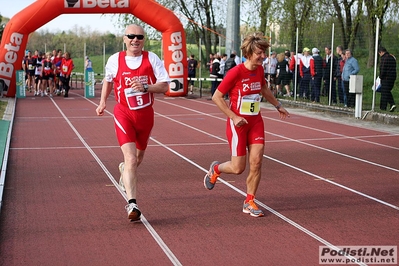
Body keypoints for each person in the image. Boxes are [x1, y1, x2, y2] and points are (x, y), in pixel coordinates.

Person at [203, 32, 290, 217]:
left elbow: (264, 88)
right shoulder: (235, 72)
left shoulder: (259, 70)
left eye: (264, 53)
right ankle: (216, 168)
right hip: (238, 125)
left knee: (257, 162)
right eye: (260, 53)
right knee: (238, 168)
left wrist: (278, 105)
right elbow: (216, 97)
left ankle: (249, 201)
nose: (263, 57)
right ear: (249, 53)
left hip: (255, 121)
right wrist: (233, 117)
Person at [95, 24, 170, 222]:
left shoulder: (151, 58)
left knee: (138, 158)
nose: (135, 40)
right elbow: (109, 80)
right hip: (123, 113)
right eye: (131, 36)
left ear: (144, 39)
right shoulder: (115, 59)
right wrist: (103, 101)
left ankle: (124, 171)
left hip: (145, 116)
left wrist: (147, 87)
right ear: (124, 38)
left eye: (139, 37)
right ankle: (132, 203)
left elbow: (164, 86)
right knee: (131, 159)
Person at [378, 46, 397, 112]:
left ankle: (385, 106)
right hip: (392, 77)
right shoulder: (392, 57)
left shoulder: (384, 58)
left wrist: (380, 76)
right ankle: (391, 105)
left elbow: (383, 69)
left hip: (386, 78)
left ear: (381, 52)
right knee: (386, 91)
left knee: (384, 91)